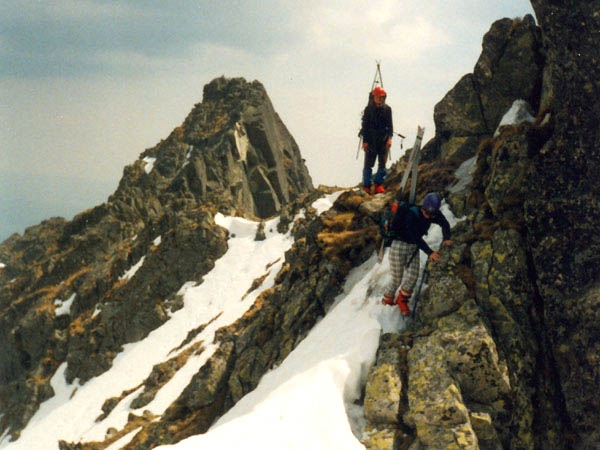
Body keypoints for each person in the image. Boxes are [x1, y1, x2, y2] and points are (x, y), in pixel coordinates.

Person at [381, 192, 453, 316]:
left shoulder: (433, 214)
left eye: (431, 215)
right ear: (423, 208)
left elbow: (444, 224)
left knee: (413, 276)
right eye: (426, 213)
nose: (427, 217)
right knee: (396, 278)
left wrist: (446, 238)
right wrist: (429, 252)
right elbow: (415, 236)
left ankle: (401, 300)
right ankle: (387, 301)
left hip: (413, 248)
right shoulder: (411, 214)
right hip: (399, 245)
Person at [359, 86, 393, 194]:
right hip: (371, 141)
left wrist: (390, 138)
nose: (380, 99)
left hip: (383, 141)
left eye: (381, 97)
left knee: (382, 164)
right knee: (368, 164)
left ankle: (378, 185)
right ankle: (367, 186)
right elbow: (365, 126)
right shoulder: (368, 110)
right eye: (378, 97)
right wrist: (365, 141)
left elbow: (390, 125)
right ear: (373, 97)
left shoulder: (387, 109)